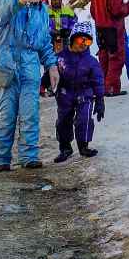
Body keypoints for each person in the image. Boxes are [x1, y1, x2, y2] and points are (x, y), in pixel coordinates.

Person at [0, 0, 59, 171]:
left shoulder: (42, 10)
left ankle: (29, 156)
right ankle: (1, 160)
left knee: (30, 114)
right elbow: (4, 11)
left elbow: (44, 41)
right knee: (5, 116)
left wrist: (51, 64)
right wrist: (20, 1)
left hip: (30, 68)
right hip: (3, 65)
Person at [54, 22, 105, 161]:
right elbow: (51, 72)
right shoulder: (61, 57)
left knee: (84, 119)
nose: (84, 44)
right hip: (65, 93)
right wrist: (44, 84)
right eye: (80, 39)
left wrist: (100, 99)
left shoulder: (91, 61)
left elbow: (98, 81)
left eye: (87, 41)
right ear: (72, 38)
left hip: (84, 92)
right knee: (64, 120)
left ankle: (83, 146)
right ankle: (65, 147)